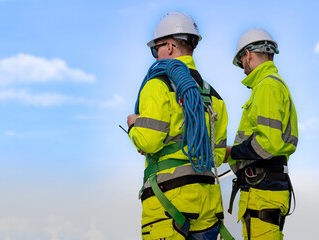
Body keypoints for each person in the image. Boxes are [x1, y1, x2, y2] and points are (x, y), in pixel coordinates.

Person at [127, 12, 228, 240]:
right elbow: (218, 155)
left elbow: (149, 141)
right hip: (207, 201)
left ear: (170, 47)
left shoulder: (157, 85)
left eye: (156, 49)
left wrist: (134, 126)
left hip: (169, 201)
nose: (156, 56)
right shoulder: (215, 97)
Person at [225, 28, 298, 240]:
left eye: (240, 62)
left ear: (248, 54)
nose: (242, 69)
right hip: (266, 188)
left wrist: (232, 152)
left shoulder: (266, 86)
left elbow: (267, 144)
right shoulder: (272, 85)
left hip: (263, 190)